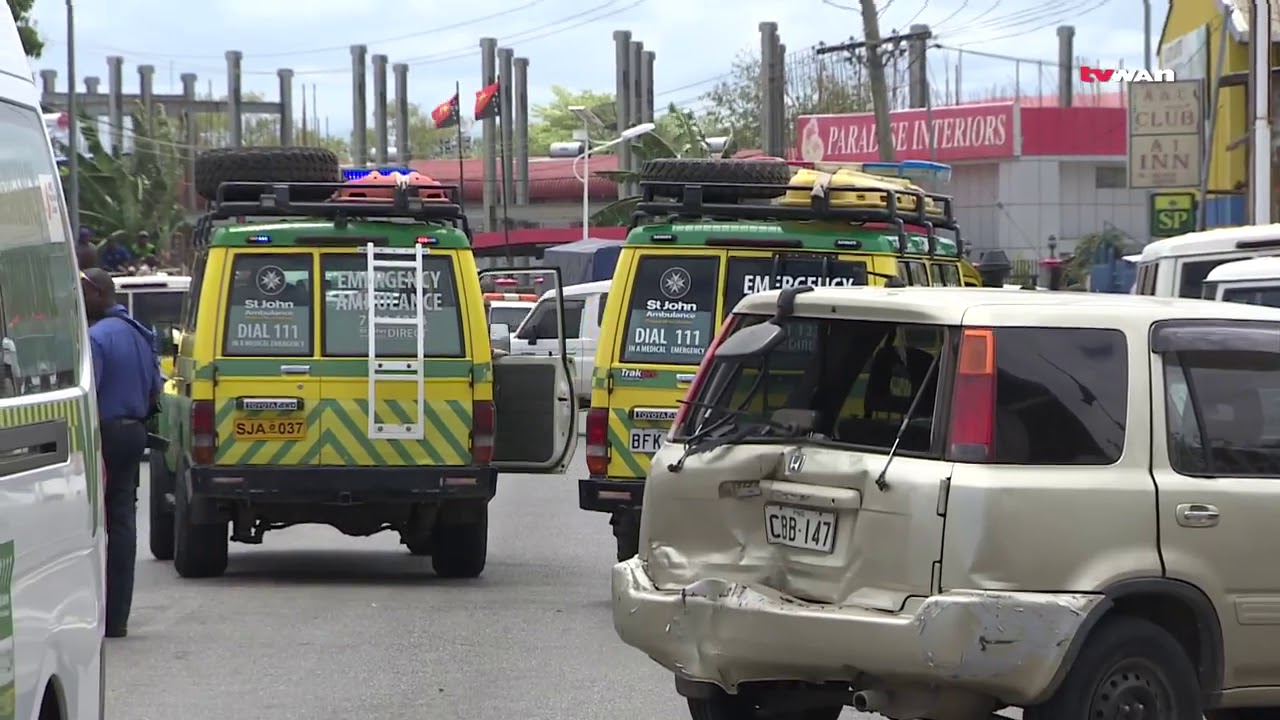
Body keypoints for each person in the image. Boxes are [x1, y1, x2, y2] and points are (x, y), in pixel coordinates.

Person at [81, 268, 162, 639]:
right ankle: (118, 618)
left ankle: (93, 613)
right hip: (134, 432)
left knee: (94, 523)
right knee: (124, 522)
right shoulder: (140, 335)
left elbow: (87, 396)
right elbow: (154, 391)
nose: (78, 299)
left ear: (99, 293)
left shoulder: (96, 338)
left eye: (83, 292)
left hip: (106, 435)